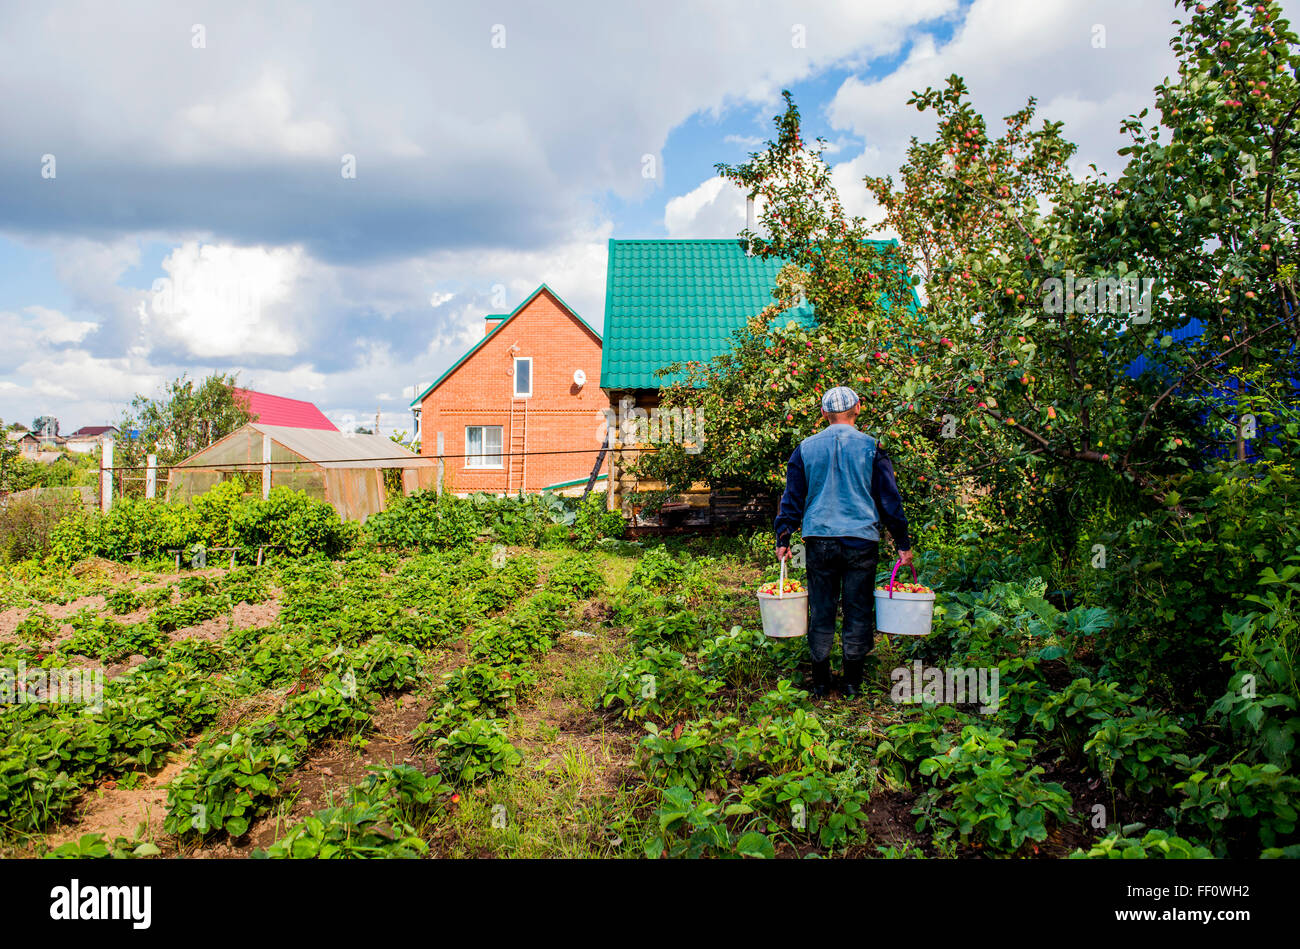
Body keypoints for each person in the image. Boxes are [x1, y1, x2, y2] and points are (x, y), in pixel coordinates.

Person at [774, 386, 912, 699]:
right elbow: (889, 500)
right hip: (860, 541)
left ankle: (821, 683)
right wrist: (902, 542)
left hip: (819, 540)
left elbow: (792, 499)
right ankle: (852, 682)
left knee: (821, 609)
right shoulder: (872, 447)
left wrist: (784, 535)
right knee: (858, 609)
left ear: (823, 414)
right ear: (858, 409)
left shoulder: (805, 448)